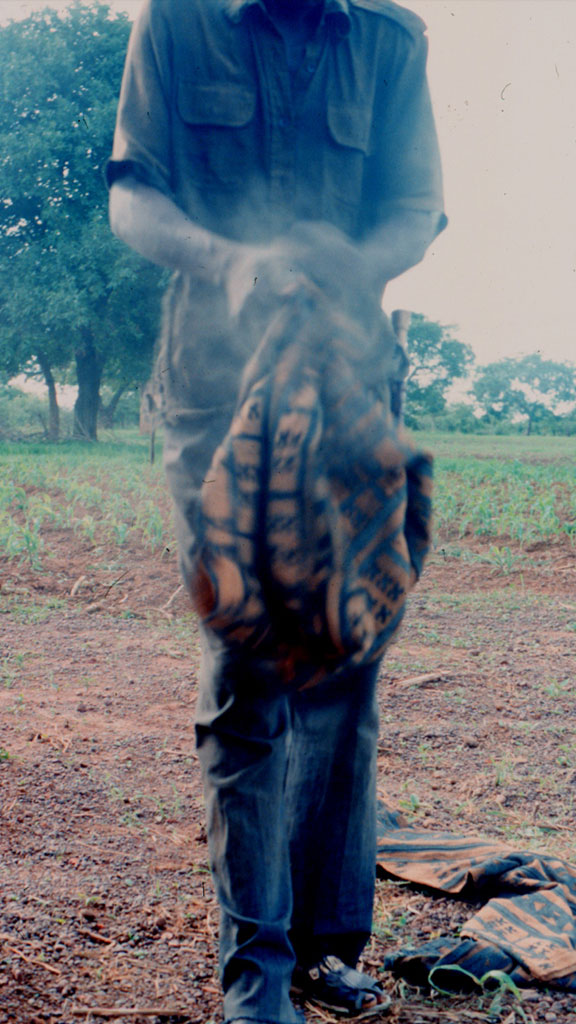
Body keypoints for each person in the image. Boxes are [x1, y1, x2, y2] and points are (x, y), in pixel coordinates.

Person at [107, 1, 446, 1020]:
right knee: (248, 664)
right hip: (214, 396)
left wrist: (348, 267)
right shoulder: (175, 21)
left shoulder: (389, 39)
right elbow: (134, 199)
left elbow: (416, 209)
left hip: (350, 391)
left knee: (345, 666)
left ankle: (321, 946)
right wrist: (232, 260)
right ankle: (253, 967)